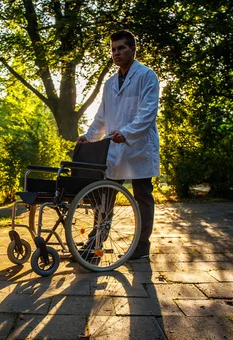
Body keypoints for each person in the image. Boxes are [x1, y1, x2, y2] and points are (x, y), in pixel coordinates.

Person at [77, 30, 159, 260]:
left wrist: (127, 133)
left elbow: (148, 112)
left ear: (133, 49)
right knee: (105, 194)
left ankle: (142, 245)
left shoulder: (146, 76)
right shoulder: (110, 83)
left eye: (121, 48)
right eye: (113, 49)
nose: (116, 53)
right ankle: (96, 242)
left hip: (139, 145)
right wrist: (89, 136)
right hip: (115, 147)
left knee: (142, 195)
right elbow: (101, 117)